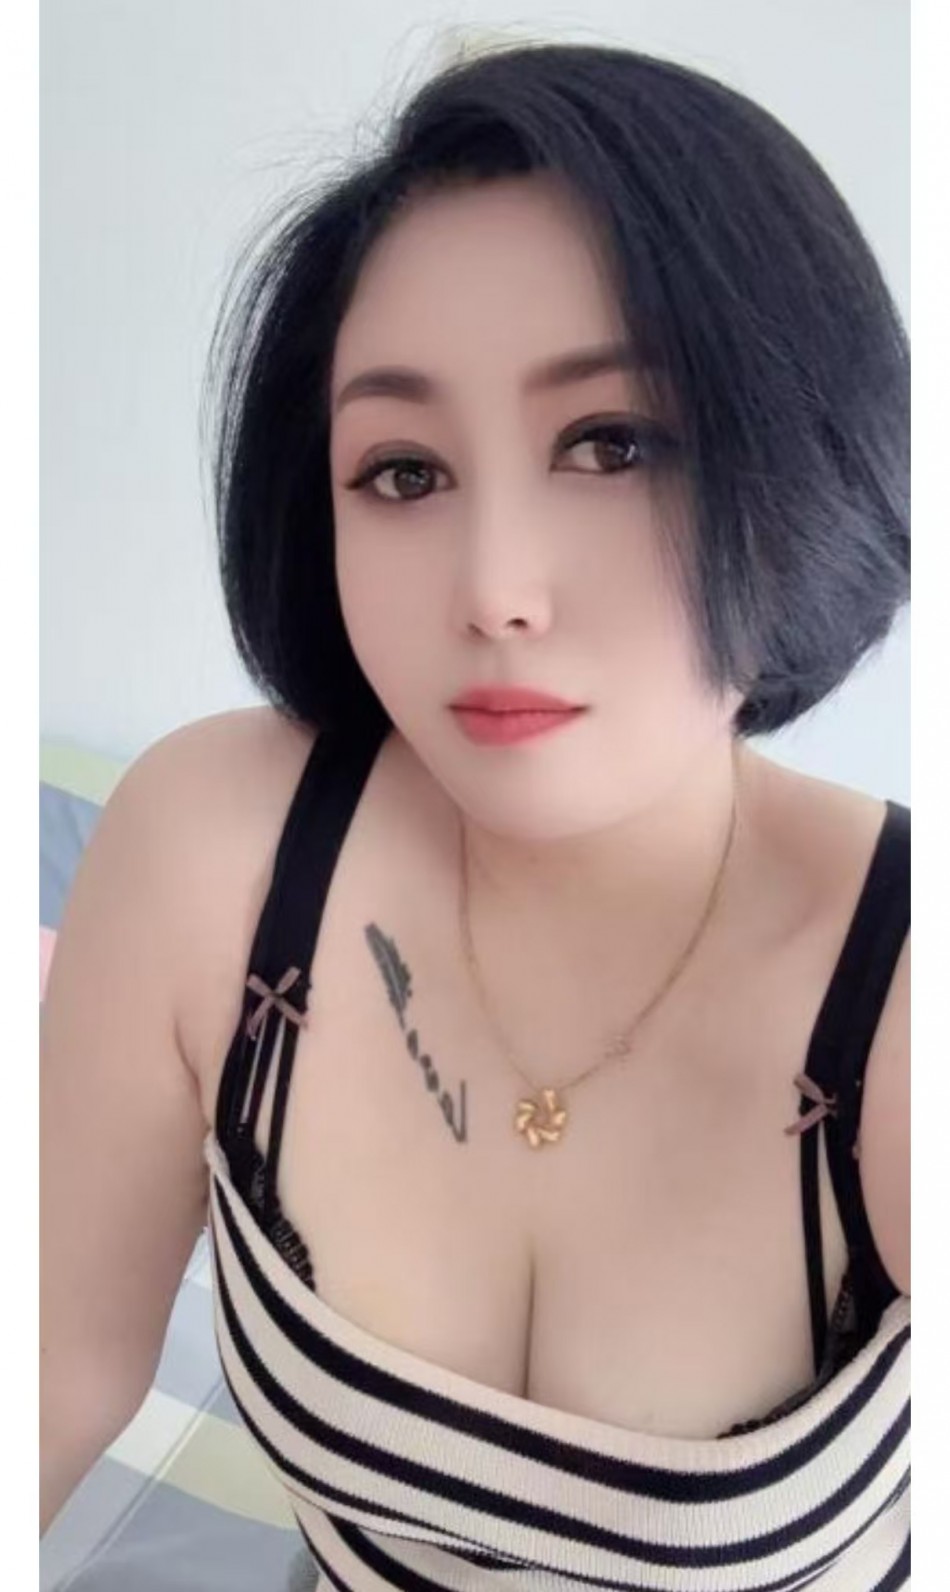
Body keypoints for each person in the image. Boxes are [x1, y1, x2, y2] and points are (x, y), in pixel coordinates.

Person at [40, 38, 910, 1589]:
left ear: (801, 460)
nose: (495, 592)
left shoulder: (899, 983)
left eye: (611, 444)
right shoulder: (215, 856)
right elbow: (45, 1375)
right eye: (401, 472)